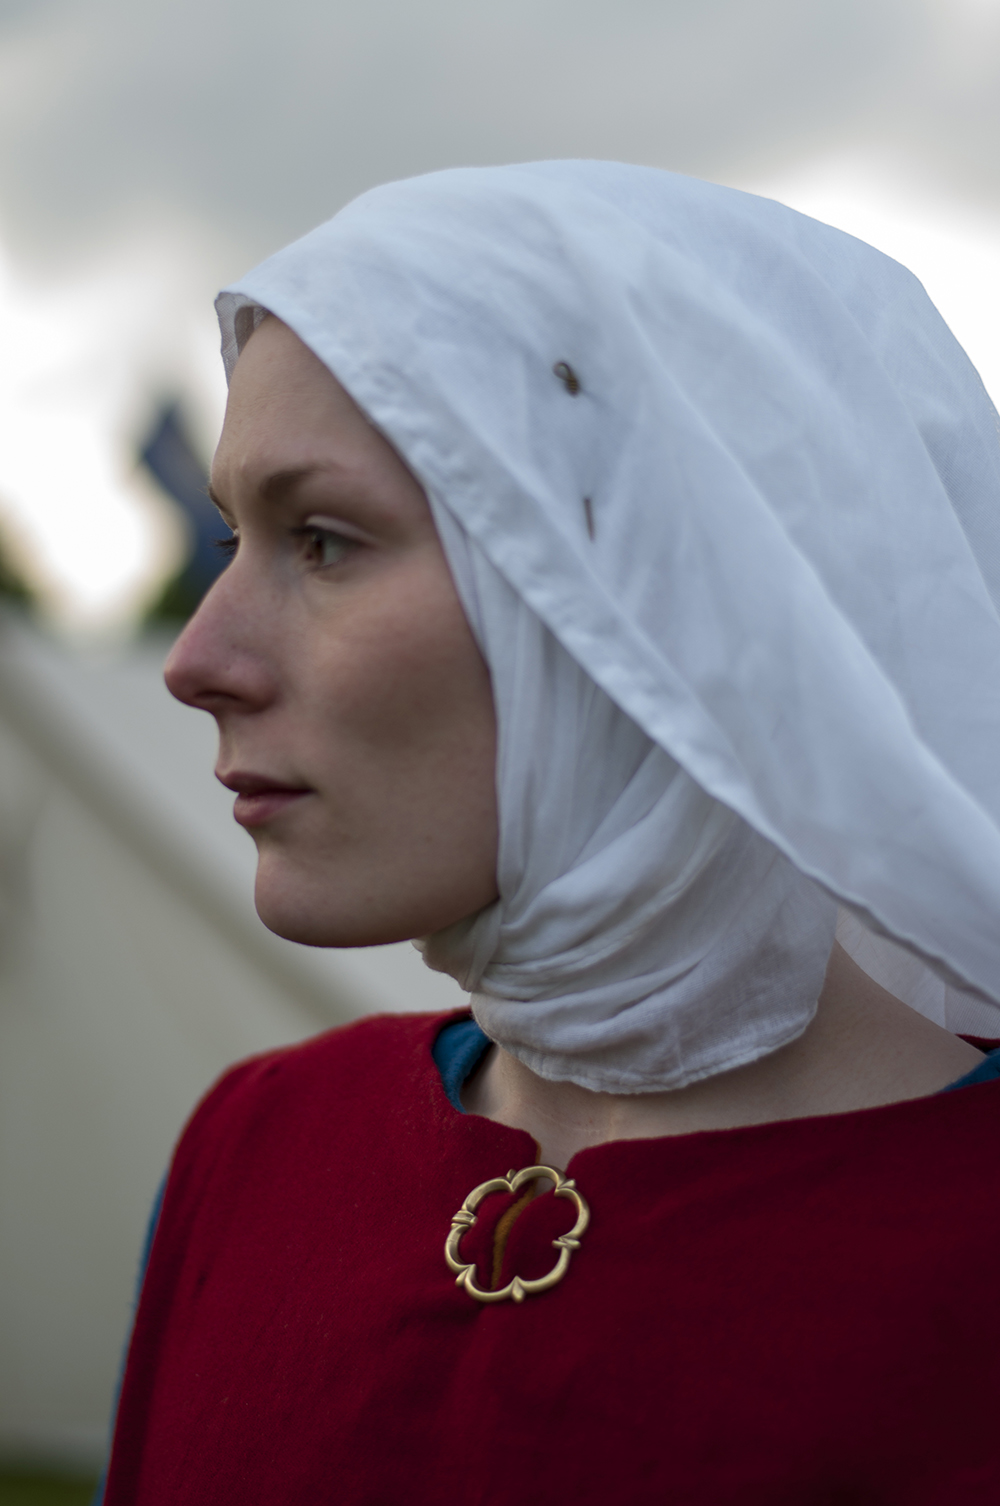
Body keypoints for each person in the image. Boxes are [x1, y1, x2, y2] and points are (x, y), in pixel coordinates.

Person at [102, 162, 1000, 1504]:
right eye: (234, 537)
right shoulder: (263, 1141)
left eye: (326, 540)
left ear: (655, 593)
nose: (197, 659)